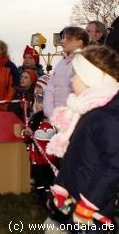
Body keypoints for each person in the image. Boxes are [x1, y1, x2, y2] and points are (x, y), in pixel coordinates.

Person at [45, 45, 119, 231]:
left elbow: (114, 166)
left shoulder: (109, 117)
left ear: (91, 79)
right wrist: (61, 188)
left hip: (94, 211)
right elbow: (74, 157)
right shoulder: (84, 111)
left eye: (76, 75)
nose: (72, 80)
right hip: (76, 199)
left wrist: (89, 204)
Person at [21, 74, 56, 208]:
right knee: (38, 182)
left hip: (49, 160)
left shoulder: (52, 119)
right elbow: (26, 139)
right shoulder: (34, 118)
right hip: (36, 159)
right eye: (37, 100)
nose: (38, 104)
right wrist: (27, 133)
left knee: (49, 181)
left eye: (42, 100)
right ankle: (40, 200)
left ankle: (51, 201)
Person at [43, 27, 89, 119]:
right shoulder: (61, 63)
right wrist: (51, 113)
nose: (62, 41)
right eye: (62, 38)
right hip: (56, 119)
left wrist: (71, 117)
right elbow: (50, 89)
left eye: (67, 38)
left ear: (79, 41)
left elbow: (84, 94)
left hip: (75, 119)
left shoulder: (86, 63)